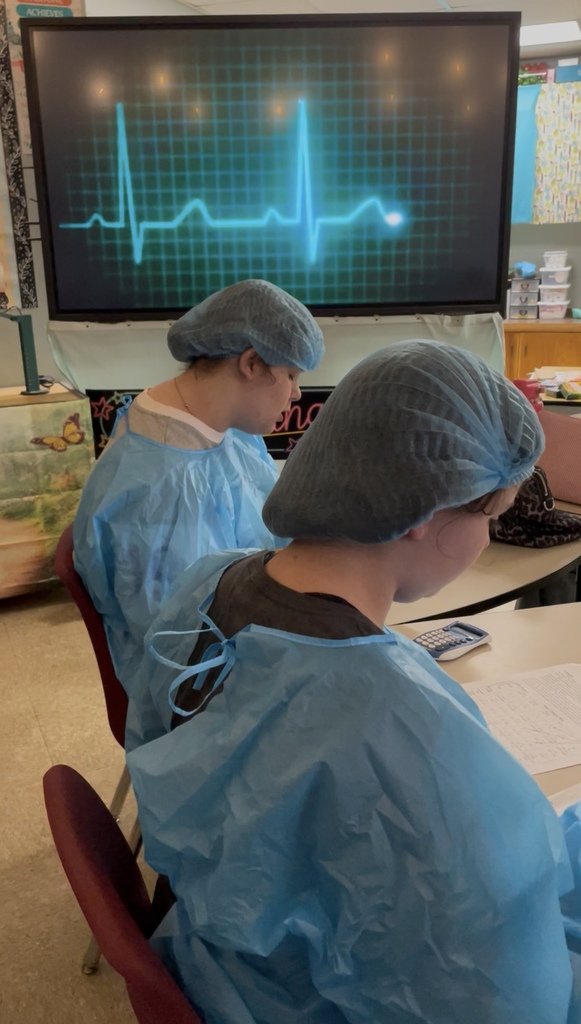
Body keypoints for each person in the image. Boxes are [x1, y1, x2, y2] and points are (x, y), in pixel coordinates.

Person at [128, 339, 581, 1024]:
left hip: (228, 955)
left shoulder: (208, 580)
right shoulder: (400, 728)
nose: (486, 541)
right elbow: (501, 986)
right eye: (490, 516)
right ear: (425, 512)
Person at [73, 278, 324, 749]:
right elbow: (182, 647)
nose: (295, 394)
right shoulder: (159, 489)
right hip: (194, 700)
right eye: (291, 375)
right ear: (251, 363)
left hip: (244, 636)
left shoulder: (222, 428)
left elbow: (266, 528)